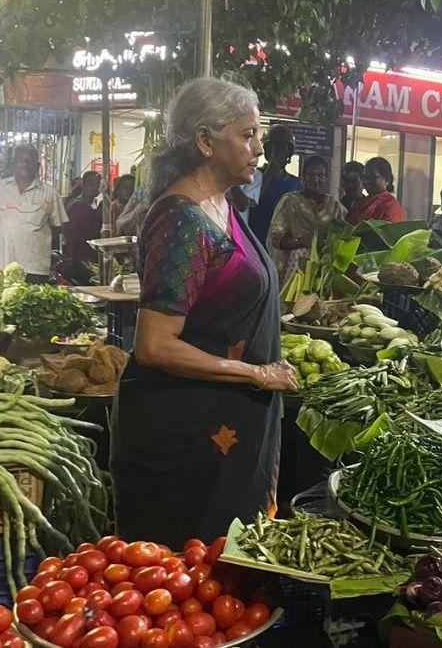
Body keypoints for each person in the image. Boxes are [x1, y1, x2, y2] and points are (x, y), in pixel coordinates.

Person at [112, 77, 298, 548]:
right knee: (187, 567)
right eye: (248, 135)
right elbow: (154, 345)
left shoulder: (220, 205)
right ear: (205, 140)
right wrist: (255, 372)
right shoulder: (181, 220)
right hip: (185, 436)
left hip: (221, 426)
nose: (260, 148)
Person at [0, 144, 68, 284]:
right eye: (21, 160)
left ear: (38, 166)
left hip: (34, 269)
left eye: (30, 160)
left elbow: (57, 228)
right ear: (13, 163)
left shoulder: (50, 193)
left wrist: (52, 260)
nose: (25, 164)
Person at [267, 156, 347, 285]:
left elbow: (344, 234)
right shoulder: (290, 201)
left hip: (325, 267)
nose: (315, 179)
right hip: (296, 264)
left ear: (326, 178)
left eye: (320, 175)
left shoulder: (334, 205)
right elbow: (276, 238)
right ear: (303, 176)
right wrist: (301, 241)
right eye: (311, 174)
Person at [246, 124, 303, 245]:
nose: (280, 153)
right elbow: (250, 202)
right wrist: (271, 170)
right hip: (256, 240)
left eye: (284, 149)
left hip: (283, 244)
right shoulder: (254, 176)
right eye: (276, 149)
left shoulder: (296, 183)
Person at [59, 171, 103, 284]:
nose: (94, 187)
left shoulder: (87, 204)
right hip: (80, 259)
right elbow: (77, 236)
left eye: (97, 184)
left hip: (77, 257)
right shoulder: (80, 206)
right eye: (91, 183)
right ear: (83, 184)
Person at [346, 156, 404, 224]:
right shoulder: (361, 202)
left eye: (373, 177)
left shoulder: (390, 205)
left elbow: (389, 229)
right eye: (365, 177)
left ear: (387, 179)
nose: (367, 181)